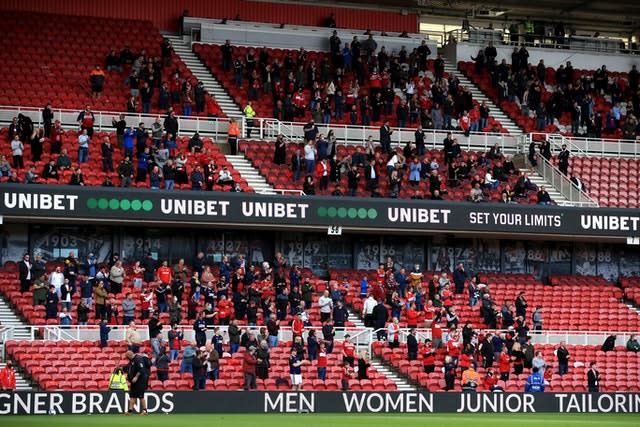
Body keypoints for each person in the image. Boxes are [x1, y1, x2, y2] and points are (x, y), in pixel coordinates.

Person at [125, 350, 150, 415]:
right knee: (132, 396)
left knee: (141, 396)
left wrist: (136, 377)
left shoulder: (138, 359)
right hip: (133, 382)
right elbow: (127, 368)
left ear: (129, 355)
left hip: (140, 381)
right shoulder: (131, 361)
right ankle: (130, 411)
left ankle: (145, 411)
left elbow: (141, 369)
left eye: (126, 356)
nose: (126, 357)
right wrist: (120, 368)